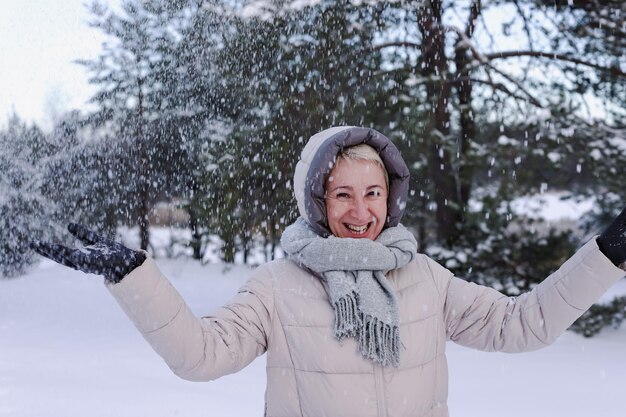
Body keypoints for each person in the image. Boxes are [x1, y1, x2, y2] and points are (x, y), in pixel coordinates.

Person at [32, 126, 626, 416]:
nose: (361, 211)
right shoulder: (276, 288)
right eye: (343, 195)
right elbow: (200, 357)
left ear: (392, 197)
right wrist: (135, 276)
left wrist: (608, 254)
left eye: (373, 192)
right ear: (317, 200)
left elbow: (523, 325)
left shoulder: (425, 278)